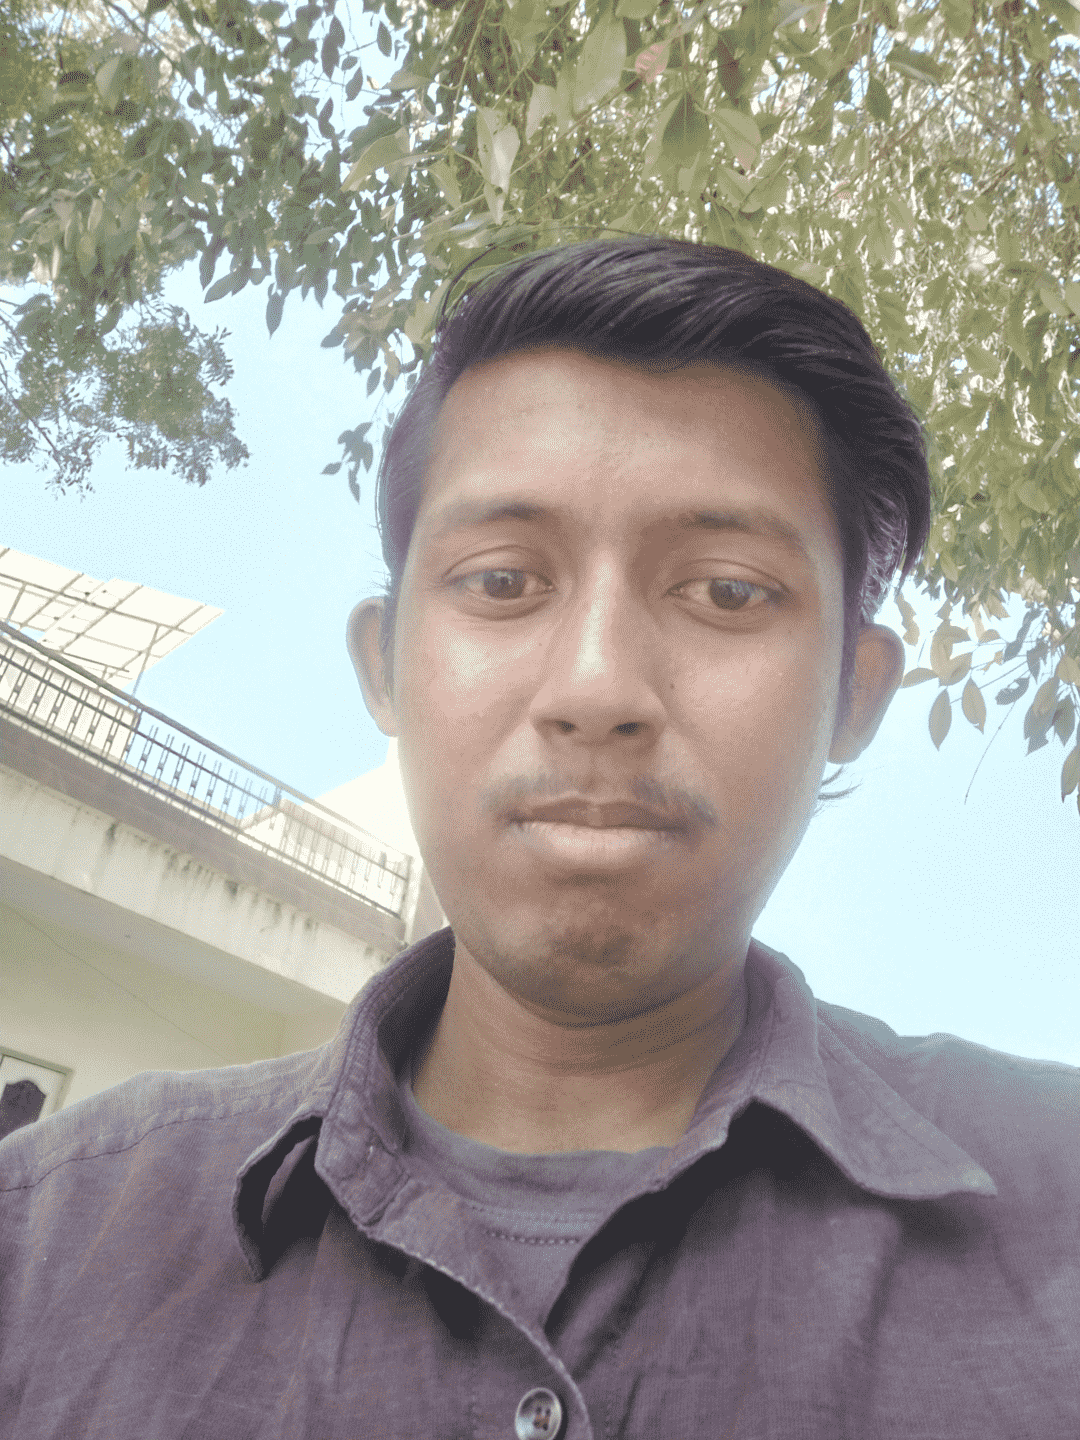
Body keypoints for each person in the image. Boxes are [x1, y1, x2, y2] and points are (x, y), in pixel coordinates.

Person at [1, 236, 1076, 1440]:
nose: (597, 687)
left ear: (853, 696)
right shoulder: (38, 1245)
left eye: (727, 590)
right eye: (504, 581)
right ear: (386, 666)